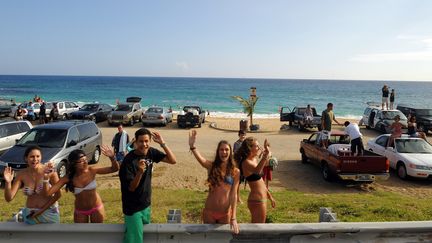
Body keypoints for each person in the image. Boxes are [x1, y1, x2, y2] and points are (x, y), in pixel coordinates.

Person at [119, 128, 176, 243]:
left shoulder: (151, 152)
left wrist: (162, 143)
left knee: (139, 237)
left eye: (146, 141)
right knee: (135, 241)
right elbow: (131, 187)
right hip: (133, 208)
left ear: (150, 141)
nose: (144, 144)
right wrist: (140, 172)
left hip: (146, 205)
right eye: (141, 141)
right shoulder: (128, 162)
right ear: (135, 142)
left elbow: (172, 160)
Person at [43, 145, 119, 223]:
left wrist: (112, 157)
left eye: (85, 159)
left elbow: (114, 169)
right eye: (81, 161)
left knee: (97, 233)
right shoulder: (68, 177)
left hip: (96, 207)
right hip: (80, 211)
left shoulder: (92, 170)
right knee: (82, 234)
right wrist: (45, 178)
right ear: (74, 164)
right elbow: (48, 193)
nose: (85, 162)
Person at [189, 130, 240, 234]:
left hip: (225, 213)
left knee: (223, 239)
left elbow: (233, 195)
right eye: (221, 150)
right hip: (209, 212)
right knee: (208, 239)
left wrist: (233, 217)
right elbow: (201, 160)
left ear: (230, 152)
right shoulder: (212, 166)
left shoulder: (235, 171)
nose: (224, 152)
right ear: (218, 152)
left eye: (226, 150)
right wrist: (192, 146)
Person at [3, 145, 61, 224]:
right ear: (26, 158)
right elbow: (9, 198)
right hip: (30, 214)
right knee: (30, 236)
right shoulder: (21, 174)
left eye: (38, 156)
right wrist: (8, 182)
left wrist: (41, 211)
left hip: (49, 212)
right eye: (32, 157)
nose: (35, 159)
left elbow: (58, 195)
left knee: (51, 236)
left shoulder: (50, 171)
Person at [234, 137, 276, 223]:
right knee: (258, 227)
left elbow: (261, 183)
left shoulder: (254, 160)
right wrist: (265, 155)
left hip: (260, 198)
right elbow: (257, 171)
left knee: (258, 226)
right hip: (257, 200)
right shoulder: (246, 162)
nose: (259, 148)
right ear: (250, 148)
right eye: (257, 146)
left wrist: (270, 197)